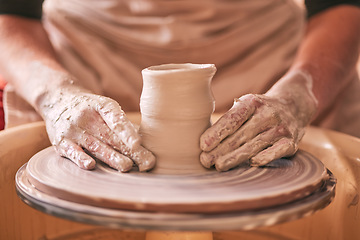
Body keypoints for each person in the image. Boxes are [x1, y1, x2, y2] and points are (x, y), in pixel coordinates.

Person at [0, 0, 359, 172]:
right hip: (87, 53)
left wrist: (298, 95)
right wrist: (56, 95)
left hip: (267, 55)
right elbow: (12, 11)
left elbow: (342, 5)